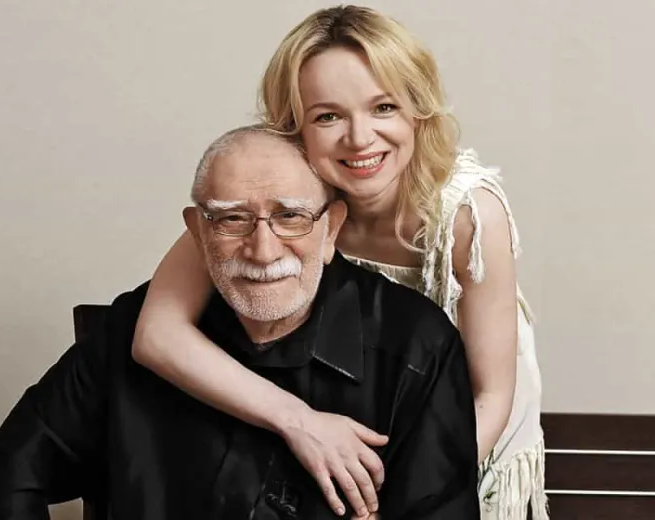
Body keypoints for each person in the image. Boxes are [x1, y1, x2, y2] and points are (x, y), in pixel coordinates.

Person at [131, 5, 547, 520]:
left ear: (417, 111)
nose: (359, 138)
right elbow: (157, 335)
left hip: (467, 443)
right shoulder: (280, 198)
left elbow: (492, 396)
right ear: (293, 126)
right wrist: (297, 420)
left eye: (384, 107)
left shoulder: (466, 216)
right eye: (328, 116)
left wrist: (400, 502)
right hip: (350, 428)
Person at [0, 126, 480, 520]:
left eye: (291, 217)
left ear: (331, 230)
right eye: (233, 219)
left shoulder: (416, 347)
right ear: (197, 231)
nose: (263, 250)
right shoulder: (129, 330)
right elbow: (13, 468)